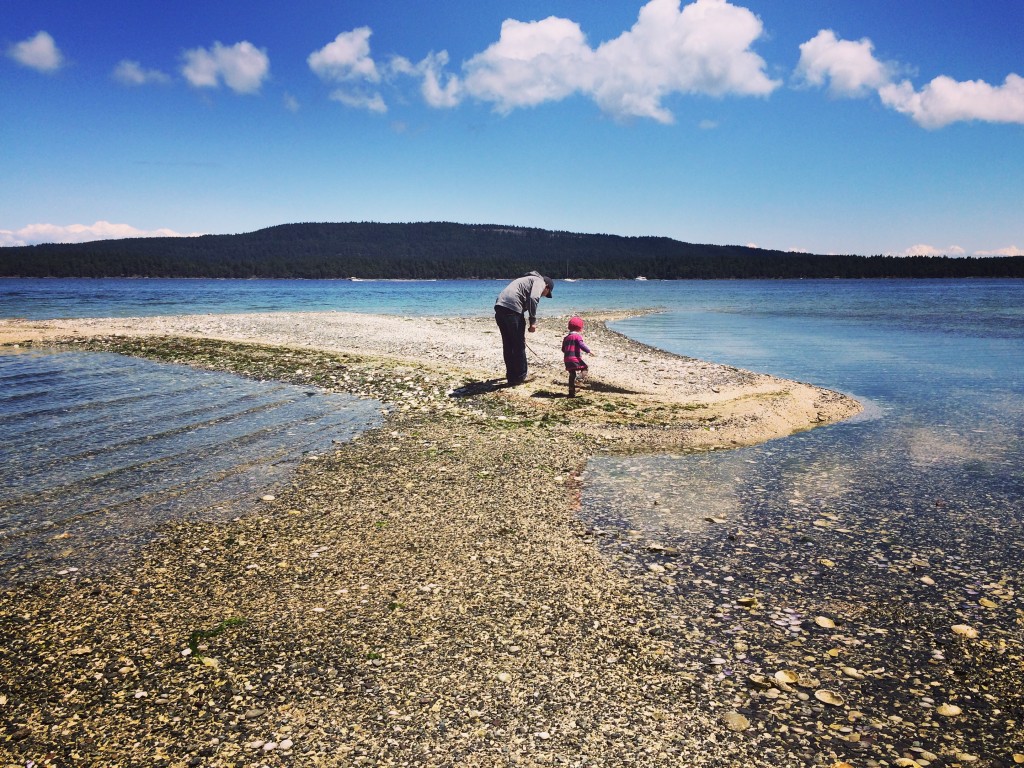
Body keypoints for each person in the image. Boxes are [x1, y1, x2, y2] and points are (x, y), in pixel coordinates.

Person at [494, 271, 553, 385]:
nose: (544, 295)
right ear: (547, 286)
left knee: (508, 344)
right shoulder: (540, 281)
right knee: (518, 344)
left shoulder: (526, 280)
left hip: (499, 307)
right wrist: (533, 321)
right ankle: (521, 376)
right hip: (512, 309)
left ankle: (511, 377)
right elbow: (533, 298)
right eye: (547, 293)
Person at [562, 315, 593, 397]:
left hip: (567, 359)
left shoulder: (566, 338)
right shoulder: (577, 336)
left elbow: (563, 349)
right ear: (580, 328)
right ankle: (579, 380)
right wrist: (589, 351)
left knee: (572, 375)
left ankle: (571, 392)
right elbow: (581, 345)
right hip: (574, 359)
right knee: (585, 368)